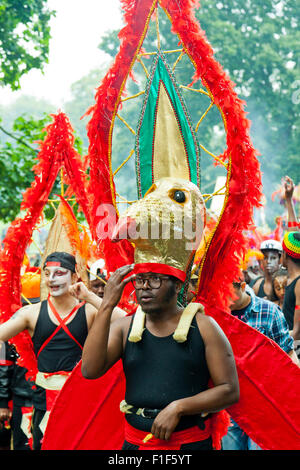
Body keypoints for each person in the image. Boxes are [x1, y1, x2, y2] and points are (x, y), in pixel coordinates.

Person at [74, 263, 240, 451]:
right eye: (140, 280)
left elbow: (229, 390)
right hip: (135, 445)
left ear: (177, 285)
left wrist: (179, 407)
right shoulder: (124, 327)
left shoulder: (204, 327)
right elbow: (89, 369)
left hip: (190, 445)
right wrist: (107, 305)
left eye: (155, 279)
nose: (145, 287)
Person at [0, 251, 125, 449]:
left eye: (59, 273)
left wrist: (89, 296)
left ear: (74, 277)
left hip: (81, 403)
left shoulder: (89, 311)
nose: (52, 279)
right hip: (44, 404)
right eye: (47, 273)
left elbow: (127, 321)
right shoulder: (30, 314)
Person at [222, 279, 298, 451]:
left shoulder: (269, 311)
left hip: (264, 407)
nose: (224, 300)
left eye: (228, 294)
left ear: (242, 286)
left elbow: (287, 352)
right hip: (231, 408)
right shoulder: (219, 314)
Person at [282, 231, 300, 358]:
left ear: (285, 255)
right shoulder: (291, 280)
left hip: (295, 349)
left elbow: (297, 330)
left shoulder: (299, 283)